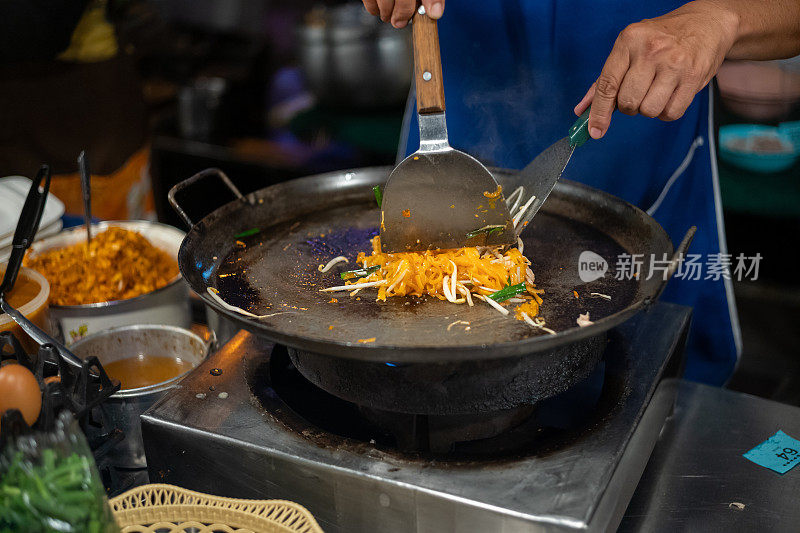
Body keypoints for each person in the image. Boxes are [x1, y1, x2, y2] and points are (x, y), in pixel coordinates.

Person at [361, 0, 800, 385]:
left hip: (642, 155)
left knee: (646, 386)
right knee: (421, 377)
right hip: (445, 134)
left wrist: (720, 20)